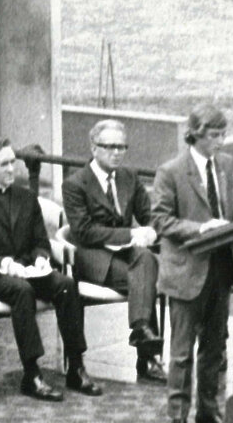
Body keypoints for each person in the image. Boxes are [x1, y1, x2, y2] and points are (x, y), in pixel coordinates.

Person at [0, 136, 102, 402]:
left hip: (27, 269)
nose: (12, 169)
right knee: (22, 290)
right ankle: (32, 372)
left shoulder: (26, 198)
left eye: (13, 162)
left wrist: (42, 258)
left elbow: (39, 241)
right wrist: (3, 263)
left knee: (66, 285)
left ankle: (76, 365)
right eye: (4, 164)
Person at [151, 104, 233, 423]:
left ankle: (207, 410)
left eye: (224, 134)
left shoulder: (226, 166)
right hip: (187, 271)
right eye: (214, 135)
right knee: (181, 351)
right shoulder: (171, 172)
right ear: (195, 135)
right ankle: (177, 418)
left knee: (214, 348)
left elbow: (231, 204)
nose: (221, 142)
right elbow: (161, 220)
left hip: (222, 270)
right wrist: (200, 229)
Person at [61, 119, 166, 384]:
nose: (117, 152)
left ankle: (140, 329)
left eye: (122, 147)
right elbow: (84, 231)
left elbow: (148, 215)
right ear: (93, 148)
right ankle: (148, 357)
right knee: (145, 272)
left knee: (146, 260)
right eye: (110, 146)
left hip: (127, 254)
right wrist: (131, 234)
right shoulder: (75, 184)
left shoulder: (129, 177)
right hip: (92, 255)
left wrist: (151, 230)